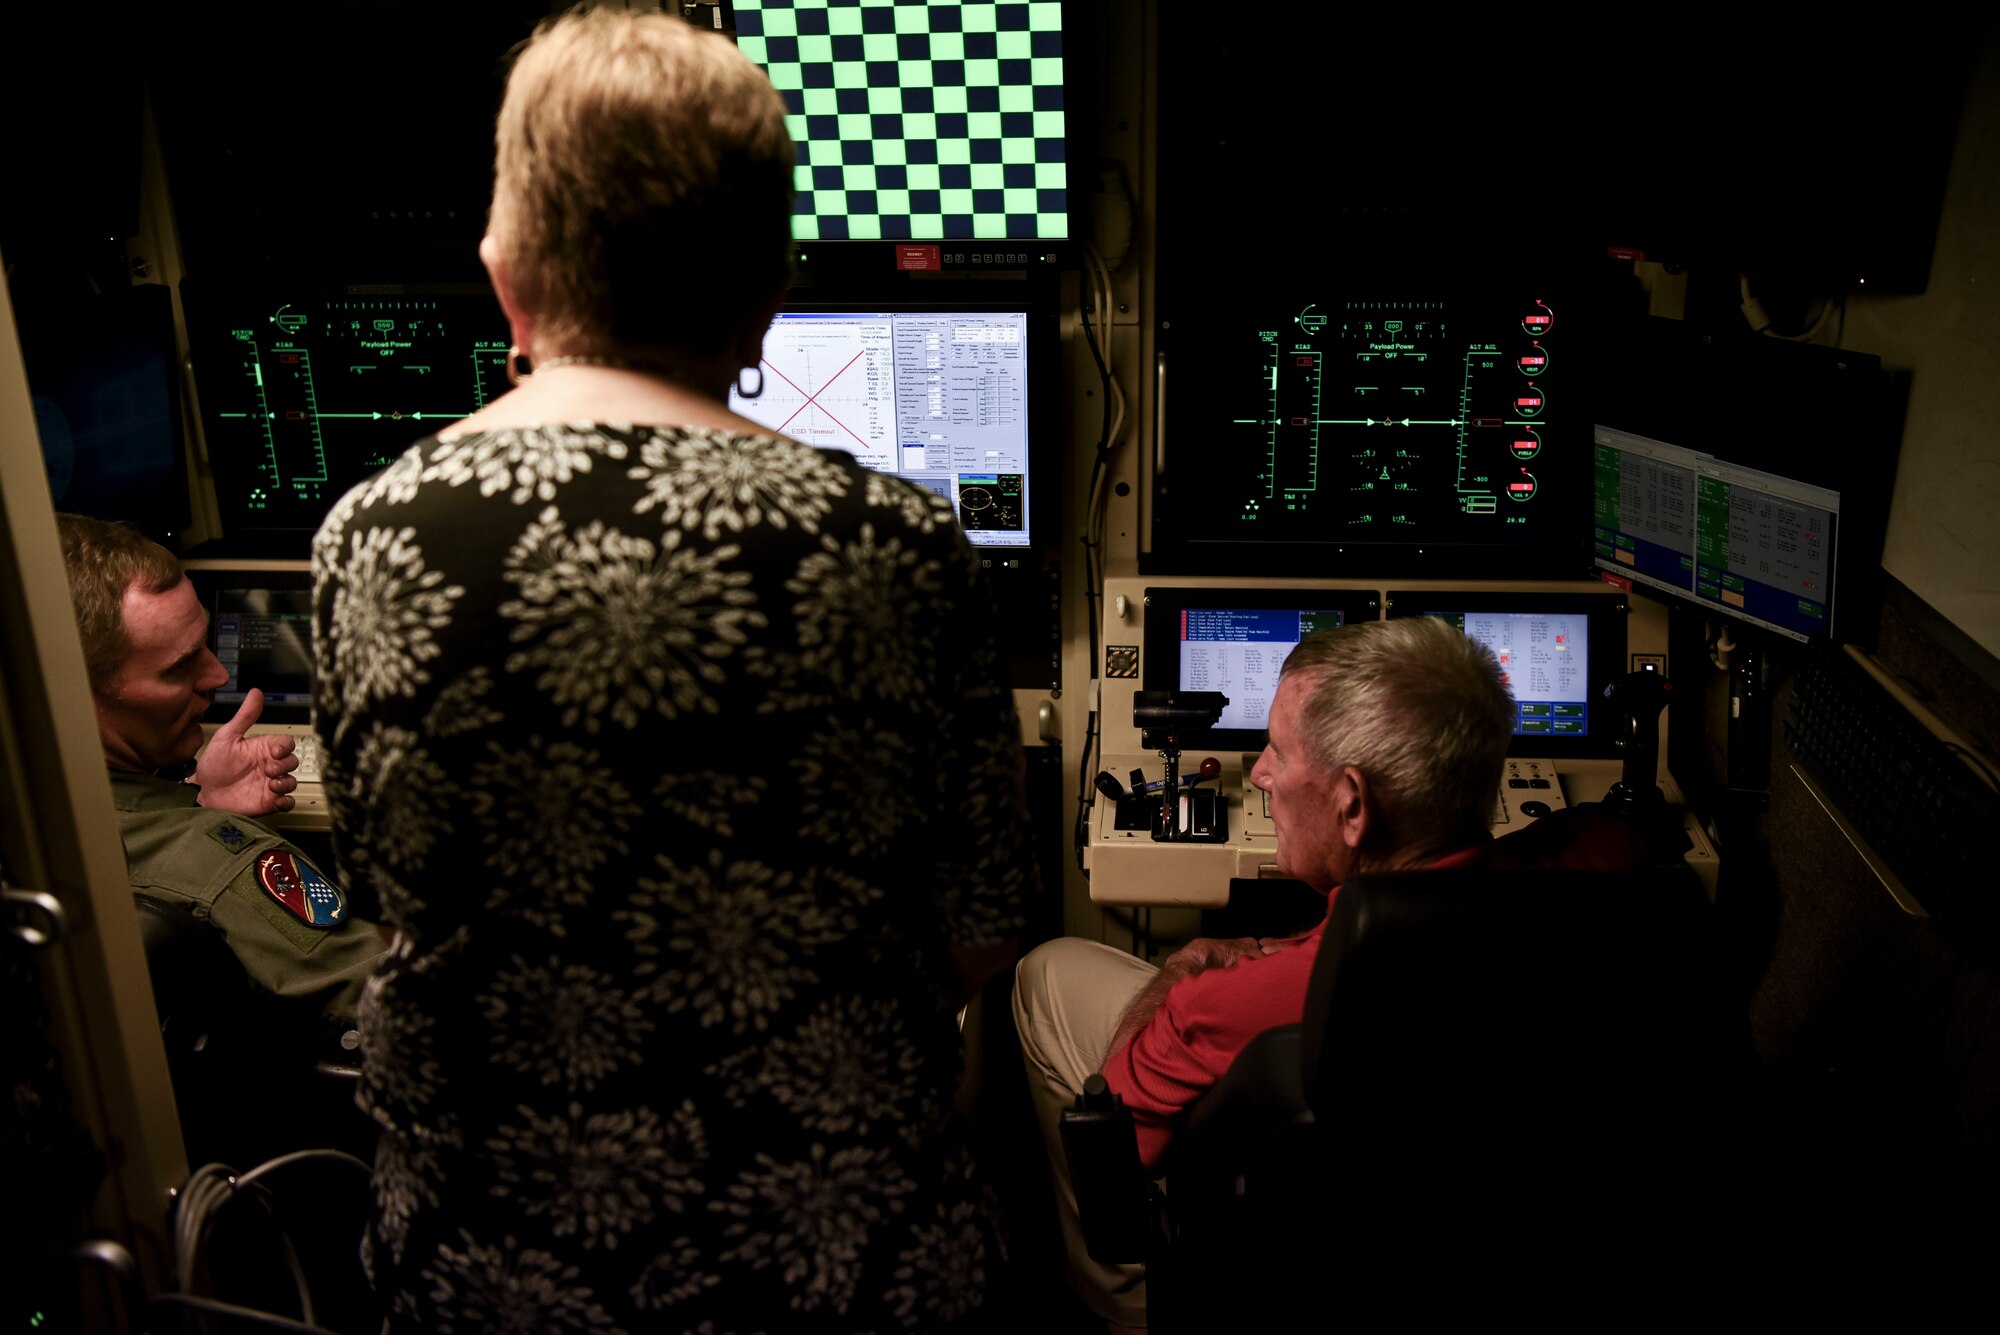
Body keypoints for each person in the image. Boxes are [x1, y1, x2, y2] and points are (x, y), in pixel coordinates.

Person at [308, 8, 1035, 1331]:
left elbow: (383, 897)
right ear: (766, 288)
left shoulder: (372, 534)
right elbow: (986, 924)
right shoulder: (902, 539)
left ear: (506, 269)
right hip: (849, 1260)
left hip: (507, 1271)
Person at [1012, 616, 1521, 1329]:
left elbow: (1116, 1137)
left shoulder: (1229, 1004)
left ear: (1351, 805)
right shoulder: (1597, 886)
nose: (1259, 772)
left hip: (1276, 1241)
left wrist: (1184, 971)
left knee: (1047, 972)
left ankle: (1126, 1306)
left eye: (1278, 750)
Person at [56, 512, 389, 1041]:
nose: (216, 676)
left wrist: (194, 799)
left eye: (207, 645)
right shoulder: (225, 863)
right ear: (72, 693)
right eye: (180, 666)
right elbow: (402, 1003)